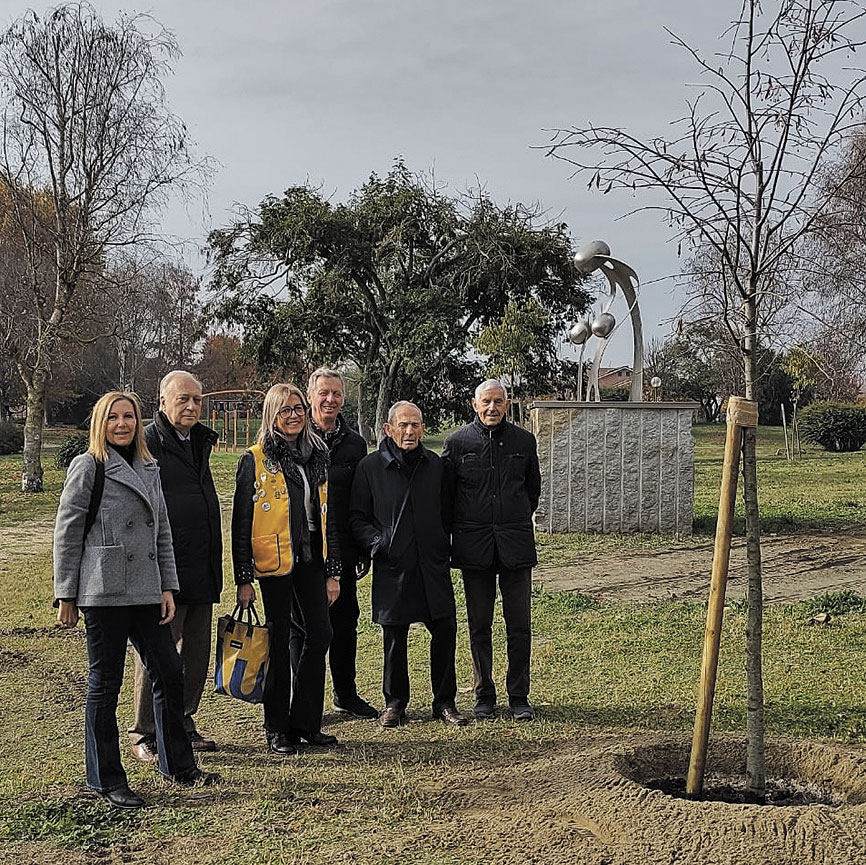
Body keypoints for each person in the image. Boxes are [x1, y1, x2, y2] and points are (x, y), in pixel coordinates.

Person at [53, 391, 219, 810]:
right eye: (114, 418)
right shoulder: (88, 466)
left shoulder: (148, 466)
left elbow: (161, 531)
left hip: (146, 588)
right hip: (103, 591)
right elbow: (67, 533)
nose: (123, 424)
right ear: (100, 423)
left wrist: (167, 587)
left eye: (129, 416)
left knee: (169, 669)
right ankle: (106, 778)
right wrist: (66, 594)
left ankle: (178, 764)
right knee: (104, 685)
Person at [231, 383, 342, 755]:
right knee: (277, 643)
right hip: (273, 563)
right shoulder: (257, 458)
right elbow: (241, 522)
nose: (293, 415)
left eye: (297, 408)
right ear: (271, 416)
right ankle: (276, 728)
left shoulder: (317, 454)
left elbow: (329, 516)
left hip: (311, 558)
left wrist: (333, 570)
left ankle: (306, 722)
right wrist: (244, 578)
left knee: (321, 633)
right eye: (284, 410)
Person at [350, 401, 467, 728]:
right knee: (394, 636)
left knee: (445, 629)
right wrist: (379, 543)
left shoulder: (436, 466)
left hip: (432, 564)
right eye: (403, 425)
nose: (410, 431)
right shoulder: (370, 468)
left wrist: (442, 545)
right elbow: (358, 518)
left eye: (415, 425)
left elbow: (448, 511)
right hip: (393, 565)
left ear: (423, 428)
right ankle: (395, 703)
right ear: (388, 429)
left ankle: (444, 702)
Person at [128, 371, 223, 762]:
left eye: (197, 400)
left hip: (201, 563)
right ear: (162, 401)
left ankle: (183, 720)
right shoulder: (147, 442)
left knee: (196, 651)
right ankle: (144, 732)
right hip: (164, 566)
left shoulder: (200, 440)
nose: (191, 406)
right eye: (183, 399)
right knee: (157, 653)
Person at [441, 379, 541, 721]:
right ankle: (484, 694)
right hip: (474, 548)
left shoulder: (524, 441)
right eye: (486, 402)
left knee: (519, 626)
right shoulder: (456, 444)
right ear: (474, 404)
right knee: (478, 624)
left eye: (498, 401)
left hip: (515, 546)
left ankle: (519, 696)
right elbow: (447, 498)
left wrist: (510, 519)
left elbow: (532, 491)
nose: (492, 408)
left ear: (507, 403)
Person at [289, 368, 377, 720]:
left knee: (345, 622)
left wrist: (360, 549)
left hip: (343, 550)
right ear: (310, 397)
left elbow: (360, 500)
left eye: (336, 394)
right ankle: (303, 701)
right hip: (304, 549)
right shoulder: (295, 437)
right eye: (323, 393)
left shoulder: (354, 443)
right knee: (304, 629)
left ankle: (346, 694)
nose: (330, 400)